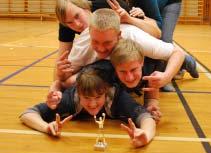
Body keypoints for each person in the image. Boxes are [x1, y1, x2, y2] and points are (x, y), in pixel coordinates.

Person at [84, 0, 199, 90]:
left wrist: (142, 17)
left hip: (170, 0)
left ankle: (186, 63)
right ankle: (180, 62)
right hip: (151, 1)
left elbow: (158, 26)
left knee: (164, 40)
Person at [20, 64, 156, 148]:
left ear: (106, 92)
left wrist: (146, 136)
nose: (92, 104)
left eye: (98, 97)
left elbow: (146, 117)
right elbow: (28, 114)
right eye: (86, 98)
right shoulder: (70, 99)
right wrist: (46, 128)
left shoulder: (117, 98)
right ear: (78, 93)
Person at [53, 8, 185, 93]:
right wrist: (60, 74)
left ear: (119, 35)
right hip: (108, 68)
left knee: (178, 60)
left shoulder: (134, 37)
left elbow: (178, 53)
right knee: (72, 82)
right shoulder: (82, 44)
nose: (101, 48)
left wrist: (167, 76)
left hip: (150, 51)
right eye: (95, 41)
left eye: (107, 42)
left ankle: (189, 64)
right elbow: (65, 79)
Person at [54, 0, 161, 79]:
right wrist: (55, 86)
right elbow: (63, 59)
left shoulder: (112, 7)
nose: (77, 25)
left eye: (77, 16)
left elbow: (156, 33)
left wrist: (129, 19)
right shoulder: (66, 20)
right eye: (69, 22)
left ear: (86, 8)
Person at [110, 38, 161, 122]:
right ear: (114, 68)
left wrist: (151, 107)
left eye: (133, 70)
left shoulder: (151, 68)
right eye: (122, 71)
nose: (129, 77)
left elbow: (151, 98)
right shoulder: (108, 74)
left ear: (142, 62)